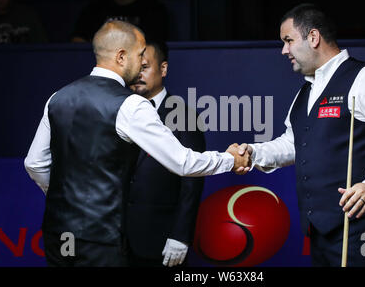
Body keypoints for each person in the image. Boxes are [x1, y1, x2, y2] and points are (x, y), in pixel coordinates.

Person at [24, 20, 250, 267]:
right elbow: (183, 162)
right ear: (121, 56)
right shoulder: (130, 104)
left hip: (57, 234)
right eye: (140, 53)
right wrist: (230, 159)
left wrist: (64, 199)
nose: (142, 61)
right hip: (102, 238)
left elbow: (34, 163)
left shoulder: (57, 97)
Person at [232, 4, 365, 267]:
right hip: (321, 230)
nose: (284, 50)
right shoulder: (305, 92)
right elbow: (294, 143)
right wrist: (253, 153)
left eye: (288, 41)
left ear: (313, 38)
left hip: (363, 228)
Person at [125, 40, 205, 267]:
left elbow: (192, 181)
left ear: (163, 69)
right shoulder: (120, 112)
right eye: (134, 68)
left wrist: (181, 235)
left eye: (145, 67)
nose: (138, 74)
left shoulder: (184, 116)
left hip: (162, 238)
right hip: (119, 241)